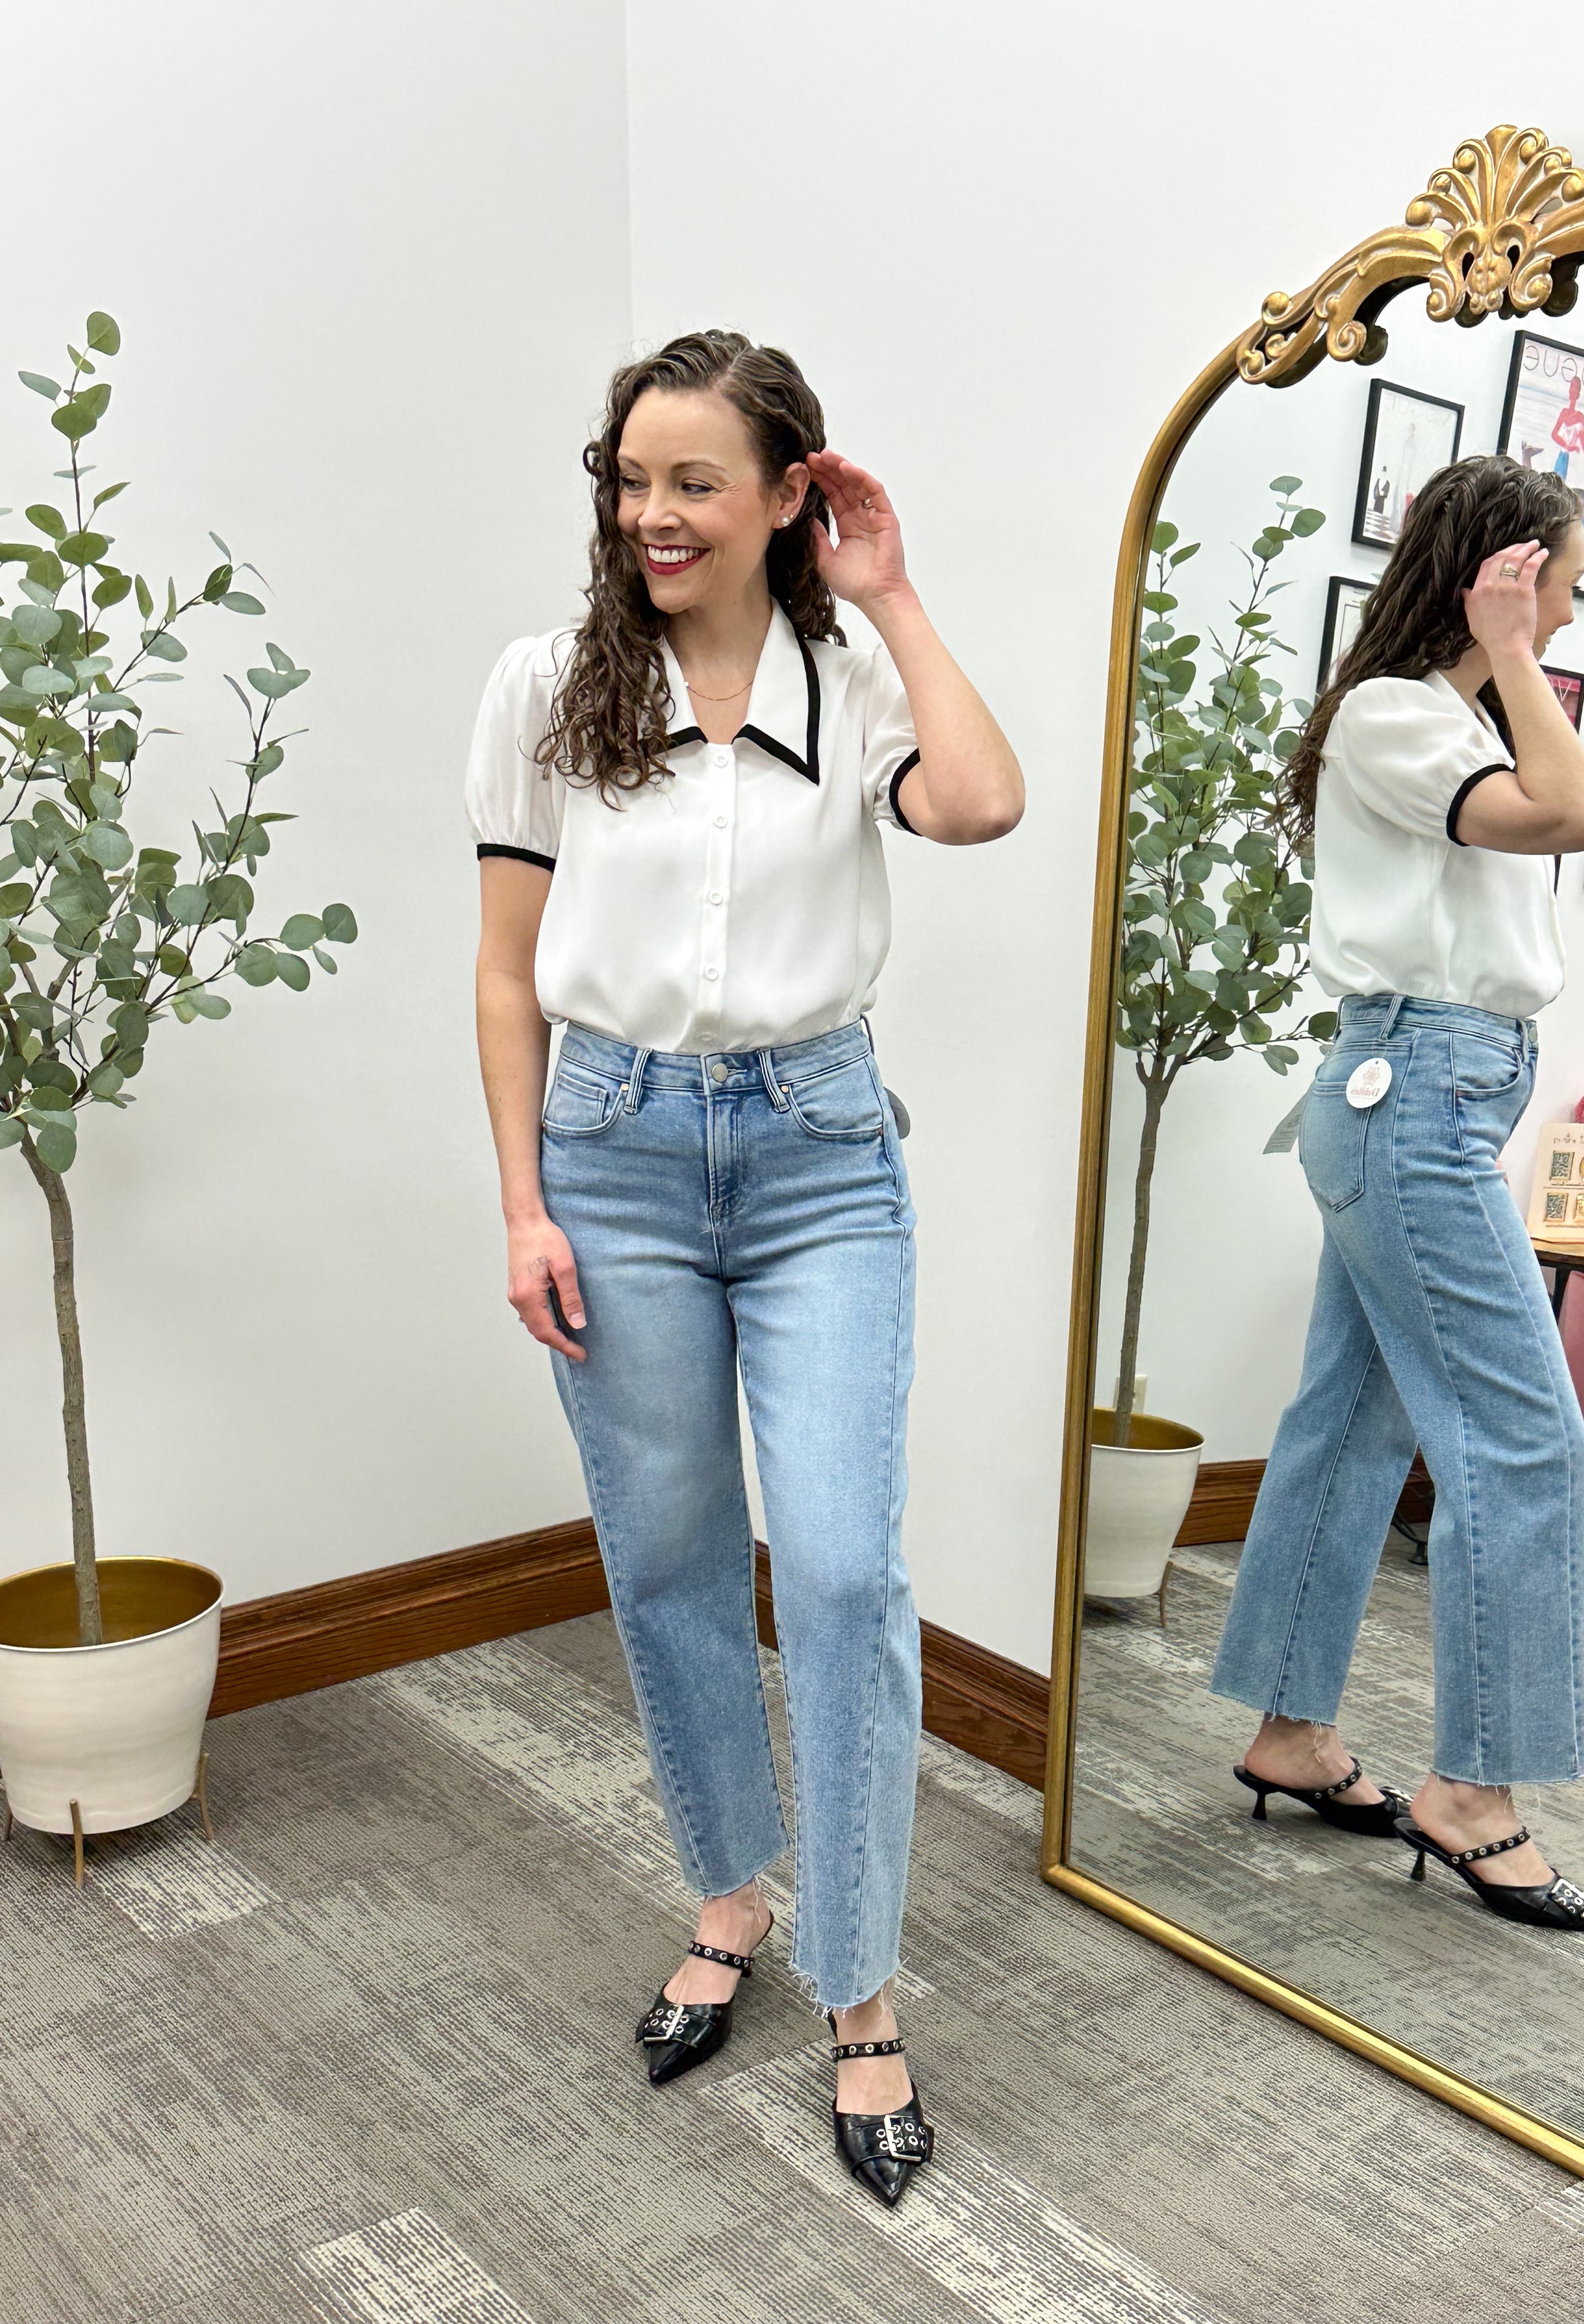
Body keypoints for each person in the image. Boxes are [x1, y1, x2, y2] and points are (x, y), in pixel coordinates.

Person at [468, 330, 1023, 2203]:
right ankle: (729, 1897)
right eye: (631, 478)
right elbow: (500, 966)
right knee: (676, 1554)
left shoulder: (853, 676)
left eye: (695, 481)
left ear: (788, 493)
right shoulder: (548, 685)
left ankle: (860, 1989)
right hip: (610, 1159)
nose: (650, 516)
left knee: (851, 1568)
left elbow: (985, 803)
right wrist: (526, 1202)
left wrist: (893, 588)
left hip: (819, 1158)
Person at [1210, 455, 1584, 1935]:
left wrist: (1511, 667)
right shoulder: (1400, 717)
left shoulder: (1450, 719)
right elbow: (1577, 817)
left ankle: (1288, 1726)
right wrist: (1513, 652)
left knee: (1354, 1420)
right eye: (1563, 575)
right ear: (1504, 572)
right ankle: (1477, 1790)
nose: (1574, 604)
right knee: (1522, 1435)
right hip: (1414, 1099)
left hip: (1437, 1098)